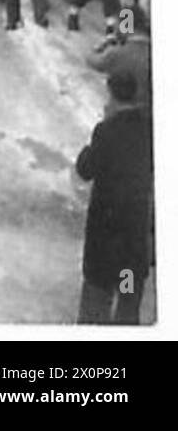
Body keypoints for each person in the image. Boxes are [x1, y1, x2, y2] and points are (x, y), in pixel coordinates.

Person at [75, 70, 153, 324]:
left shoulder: (106, 131)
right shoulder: (150, 130)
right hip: (132, 246)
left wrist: (94, 138)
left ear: (112, 96)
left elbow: (85, 169)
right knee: (128, 307)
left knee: (95, 308)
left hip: (105, 245)